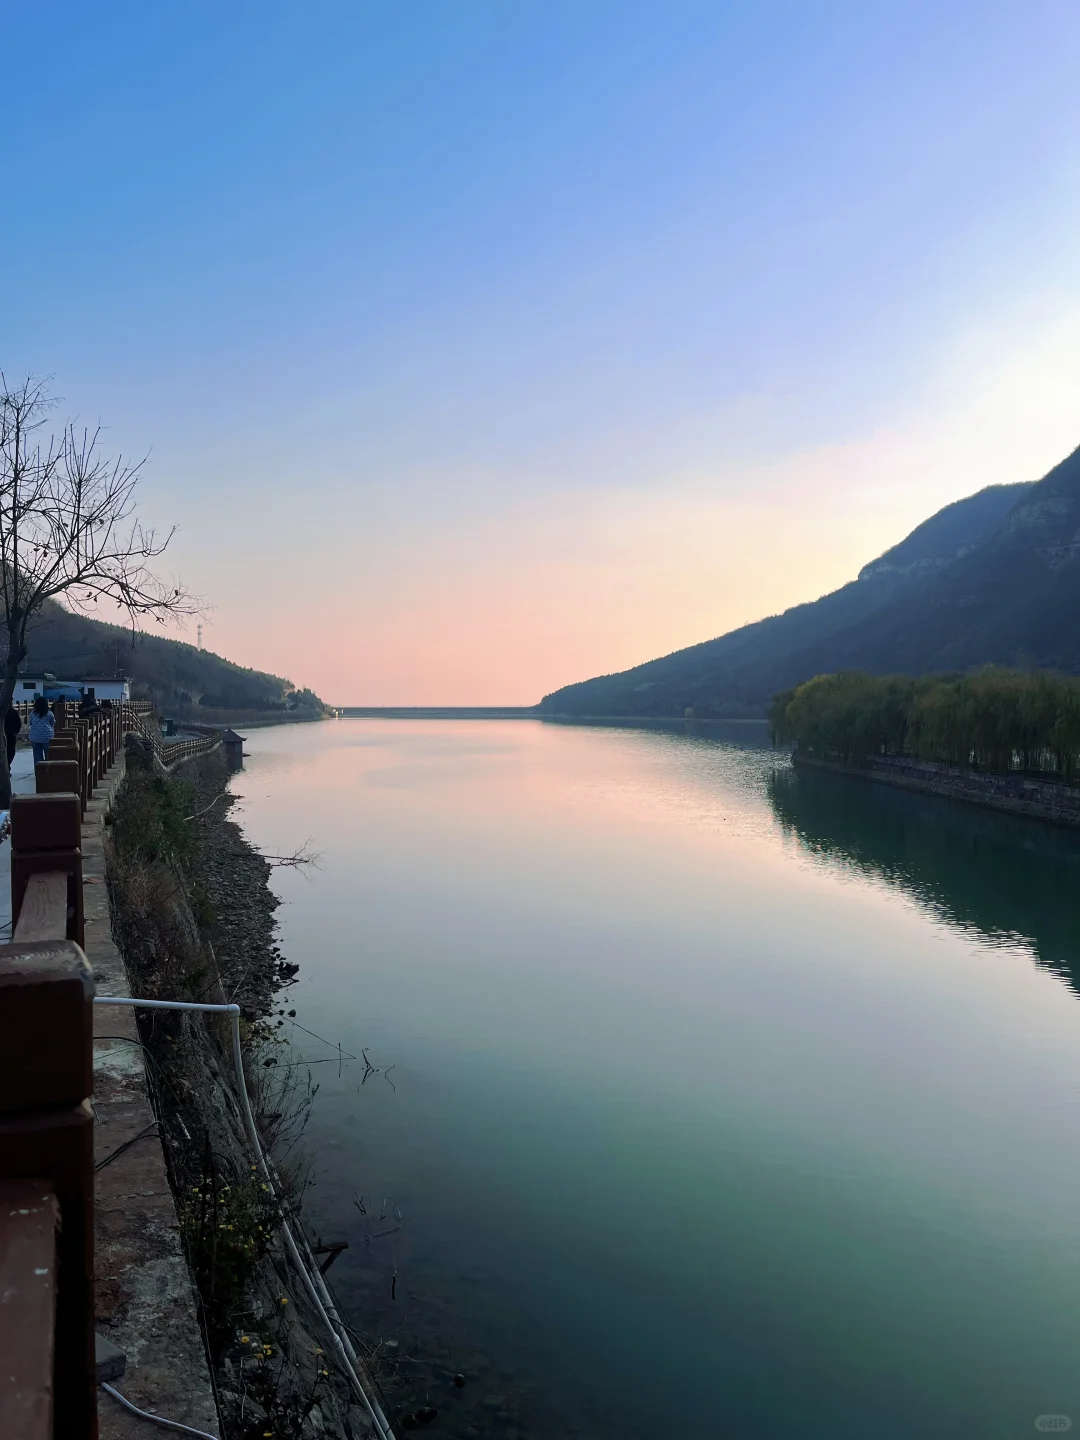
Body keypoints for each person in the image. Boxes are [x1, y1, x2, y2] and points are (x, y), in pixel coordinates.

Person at [29, 694, 55, 765]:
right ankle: (48, 772)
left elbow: (31, 723)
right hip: (47, 737)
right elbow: (52, 724)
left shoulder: (32, 714)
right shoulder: (49, 714)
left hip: (35, 737)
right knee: (48, 756)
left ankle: (38, 773)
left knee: (37, 757)